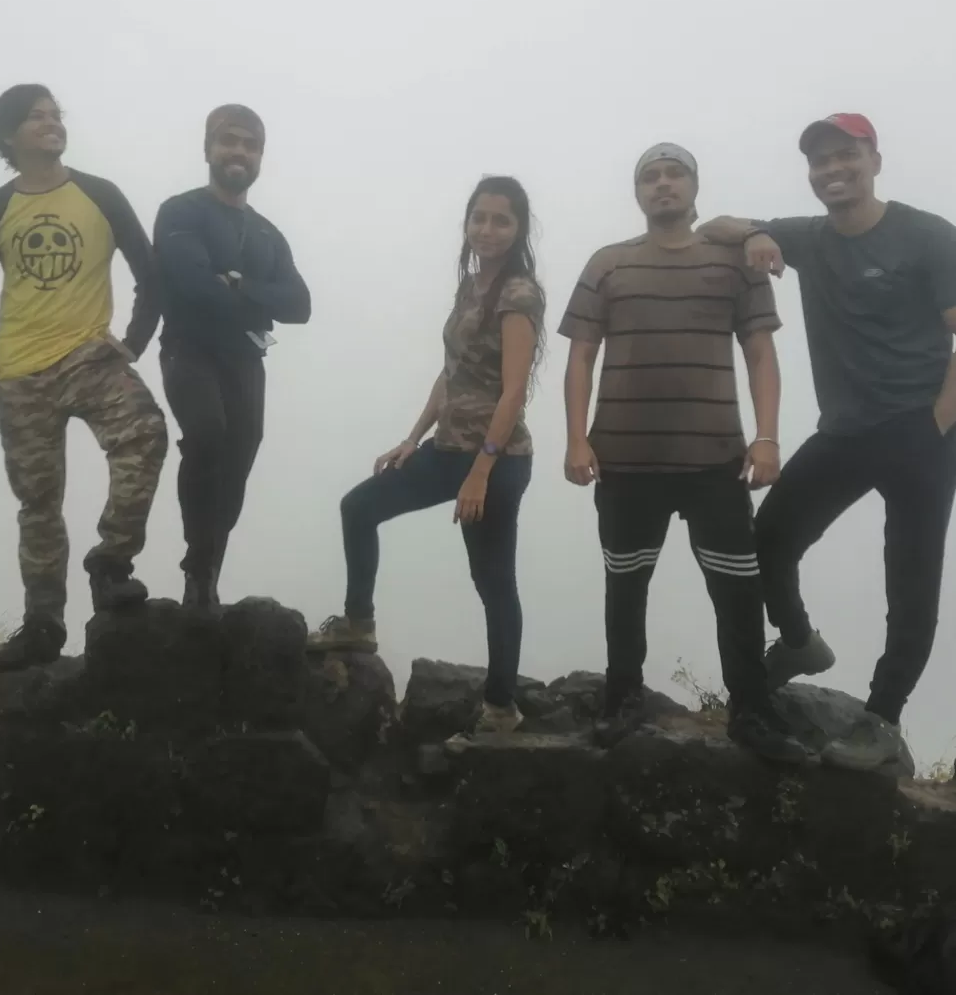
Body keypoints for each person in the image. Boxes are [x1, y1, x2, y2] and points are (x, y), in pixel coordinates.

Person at [697, 113, 956, 771]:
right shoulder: (813, 237)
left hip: (925, 431)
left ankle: (881, 719)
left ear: (874, 161)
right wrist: (761, 238)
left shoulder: (928, 237)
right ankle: (800, 641)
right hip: (847, 432)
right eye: (820, 161)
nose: (832, 170)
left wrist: (936, 423)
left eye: (846, 157)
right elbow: (715, 225)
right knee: (769, 540)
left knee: (910, 580)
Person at [559, 143, 807, 763]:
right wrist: (575, 437)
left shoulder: (735, 261)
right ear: (637, 193)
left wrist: (768, 436)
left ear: (695, 187)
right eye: (650, 176)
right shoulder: (608, 264)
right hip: (624, 461)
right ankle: (622, 701)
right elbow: (581, 354)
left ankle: (752, 714)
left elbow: (759, 353)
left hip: (715, 462)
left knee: (737, 593)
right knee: (625, 589)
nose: (662, 184)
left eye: (675, 174)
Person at [307, 176, 544, 735]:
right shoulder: (471, 288)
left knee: (492, 581)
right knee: (359, 507)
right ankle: (358, 623)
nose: (487, 230)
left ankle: (501, 707)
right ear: (466, 223)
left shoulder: (518, 294)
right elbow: (452, 372)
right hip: (446, 448)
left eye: (501, 220)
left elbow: (513, 390)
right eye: (479, 218)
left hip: (498, 459)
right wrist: (413, 437)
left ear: (517, 229)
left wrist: (481, 473)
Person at [0, 84, 169, 669]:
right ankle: (42, 624)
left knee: (145, 435)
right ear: (8, 136)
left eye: (55, 115)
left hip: (89, 356)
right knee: (38, 502)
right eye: (35, 117)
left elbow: (148, 271)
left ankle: (111, 561)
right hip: (20, 372)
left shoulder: (98, 194)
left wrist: (132, 341)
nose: (51, 124)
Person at [150, 105, 312, 611]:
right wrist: (254, 295)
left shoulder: (267, 234)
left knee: (240, 454)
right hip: (188, 348)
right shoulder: (181, 212)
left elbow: (301, 305)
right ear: (208, 149)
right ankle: (198, 566)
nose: (239, 152)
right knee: (207, 436)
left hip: (244, 358)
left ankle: (208, 570)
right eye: (229, 141)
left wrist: (238, 283)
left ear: (261, 157)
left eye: (251, 145)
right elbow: (192, 285)